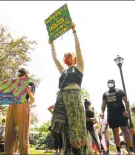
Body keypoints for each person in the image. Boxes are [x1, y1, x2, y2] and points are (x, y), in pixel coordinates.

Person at [49, 23, 88, 155]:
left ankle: (78, 150)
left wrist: (74, 31)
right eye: (65, 56)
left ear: (74, 58)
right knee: (66, 125)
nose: (66, 58)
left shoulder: (79, 67)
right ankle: (69, 150)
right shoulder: (64, 71)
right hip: (64, 98)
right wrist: (52, 44)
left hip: (75, 97)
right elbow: (54, 58)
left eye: (69, 55)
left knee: (76, 123)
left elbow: (78, 47)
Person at [4, 68, 36, 155]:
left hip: (23, 105)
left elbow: (33, 100)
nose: (19, 76)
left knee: (23, 134)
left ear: (26, 74)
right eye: (18, 74)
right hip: (12, 104)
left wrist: (29, 92)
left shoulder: (30, 83)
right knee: (8, 132)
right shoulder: (14, 83)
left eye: (21, 74)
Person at [100, 79, 134, 155]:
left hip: (121, 114)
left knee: (125, 131)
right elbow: (103, 104)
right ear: (107, 84)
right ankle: (118, 150)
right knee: (115, 133)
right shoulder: (105, 93)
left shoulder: (120, 91)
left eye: (111, 82)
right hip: (111, 116)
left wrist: (127, 111)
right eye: (108, 82)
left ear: (114, 83)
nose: (110, 84)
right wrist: (102, 112)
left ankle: (131, 150)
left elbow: (126, 101)